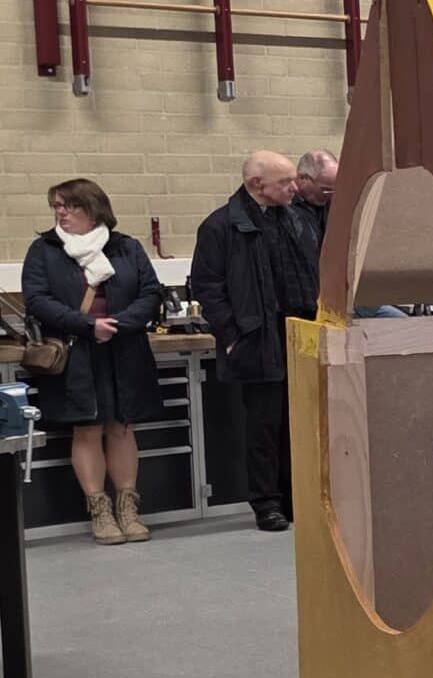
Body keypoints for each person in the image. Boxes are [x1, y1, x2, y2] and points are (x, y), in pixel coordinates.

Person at [21, 179, 164, 545]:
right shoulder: (44, 251)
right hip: (77, 353)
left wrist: (119, 325)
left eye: (69, 206)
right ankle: (100, 511)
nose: (61, 213)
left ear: (94, 209)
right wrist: (88, 326)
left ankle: (128, 510)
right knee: (86, 429)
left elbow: (151, 293)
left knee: (122, 426)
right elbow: (38, 300)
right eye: (56, 206)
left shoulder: (126, 247)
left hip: (124, 349)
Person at [191, 150, 320, 532]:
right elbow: (208, 287)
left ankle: (298, 498)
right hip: (256, 336)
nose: (295, 187)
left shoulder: (299, 219)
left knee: (300, 422)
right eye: (285, 182)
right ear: (256, 185)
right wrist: (231, 335)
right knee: (263, 426)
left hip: (300, 331)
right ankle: (267, 503)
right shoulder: (220, 227)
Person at [293, 148, 338, 248]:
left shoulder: (331, 204)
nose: (330, 196)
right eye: (325, 189)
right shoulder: (283, 206)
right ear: (303, 178)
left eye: (334, 190)